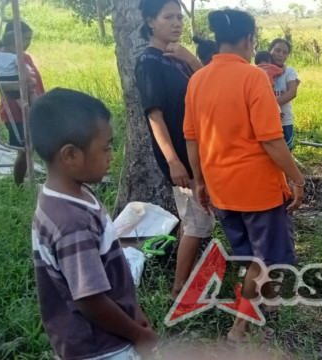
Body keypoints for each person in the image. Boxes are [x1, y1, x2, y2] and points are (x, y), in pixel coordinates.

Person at [184, 9, 305, 345]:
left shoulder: (198, 79)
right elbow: (271, 139)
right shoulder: (253, 78)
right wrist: (297, 177)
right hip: (257, 189)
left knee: (248, 255)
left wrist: (199, 181)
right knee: (262, 259)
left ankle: (264, 302)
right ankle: (239, 328)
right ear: (249, 40)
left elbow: (191, 138)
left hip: (221, 187)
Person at [30, 88, 158, 360]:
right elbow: (89, 299)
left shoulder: (69, 194)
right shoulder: (71, 223)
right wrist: (138, 335)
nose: (111, 155)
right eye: (106, 147)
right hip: (100, 347)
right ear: (70, 155)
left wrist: (132, 309)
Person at [135, 0, 213, 301]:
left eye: (179, 17)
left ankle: (185, 280)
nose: (177, 23)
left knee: (194, 218)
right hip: (181, 154)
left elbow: (209, 88)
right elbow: (155, 116)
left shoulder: (178, 57)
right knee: (198, 221)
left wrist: (191, 59)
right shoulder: (149, 62)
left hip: (200, 150)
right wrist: (173, 161)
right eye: (168, 17)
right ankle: (179, 290)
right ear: (151, 21)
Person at [0, 19, 43, 185]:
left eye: (30, 39)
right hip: (16, 113)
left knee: (29, 149)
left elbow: (34, 82)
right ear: (13, 40)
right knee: (24, 151)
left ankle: (25, 181)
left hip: (32, 106)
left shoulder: (24, 57)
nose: (28, 43)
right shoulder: (4, 59)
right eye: (25, 39)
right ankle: (18, 185)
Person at [268, 38, 299, 150]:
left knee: (285, 151)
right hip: (266, 120)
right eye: (277, 50)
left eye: (284, 53)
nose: (280, 54)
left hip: (284, 121)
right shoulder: (259, 71)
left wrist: (271, 106)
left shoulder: (289, 72)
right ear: (270, 50)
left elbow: (292, 92)